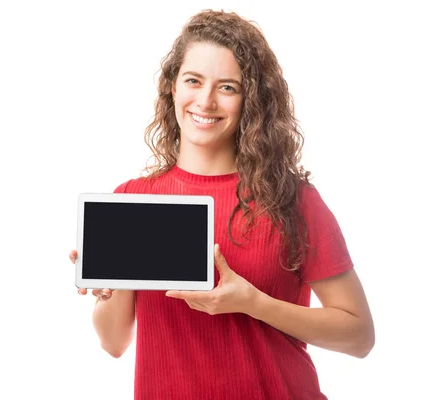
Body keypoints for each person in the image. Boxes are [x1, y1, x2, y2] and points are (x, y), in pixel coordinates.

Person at [70, 9, 374, 400]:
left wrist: (254, 304)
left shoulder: (291, 199)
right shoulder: (132, 201)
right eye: (193, 81)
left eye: (228, 87)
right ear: (172, 88)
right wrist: (108, 285)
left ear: (251, 100)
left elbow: (359, 336)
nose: (206, 101)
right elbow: (114, 343)